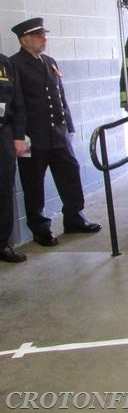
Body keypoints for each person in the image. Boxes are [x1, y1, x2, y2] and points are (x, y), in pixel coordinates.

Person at [10, 18, 101, 247]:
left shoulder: (49, 61)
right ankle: (40, 229)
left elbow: (61, 97)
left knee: (70, 172)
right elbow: (16, 103)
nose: (44, 38)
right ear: (24, 39)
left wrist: (69, 126)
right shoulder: (15, 65)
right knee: (33, 184)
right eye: (39, 35)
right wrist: (18, 137)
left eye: (44, 34)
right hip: (32, 136)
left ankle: (74, 218)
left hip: (57, 133)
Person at [0, 49, 28, 263]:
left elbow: (17, 102)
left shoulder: (4, 63)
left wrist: (19, 136)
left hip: (3, 133)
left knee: (4, 188)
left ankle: (2, 244)